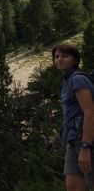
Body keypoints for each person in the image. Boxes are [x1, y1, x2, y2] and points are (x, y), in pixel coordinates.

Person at [53, 44, 94, 191]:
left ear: (75, 60)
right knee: (73, 186)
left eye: (65, 56)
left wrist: (85, 146)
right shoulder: (66, 81)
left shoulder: (78, 80)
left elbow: (90, 113)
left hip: (86, 139)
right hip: (73, 138)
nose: (59, 60)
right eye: (57, 57)